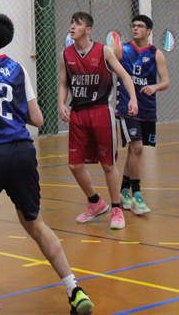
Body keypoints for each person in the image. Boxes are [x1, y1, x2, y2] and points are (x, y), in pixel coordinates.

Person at [0, 9, 94, 315]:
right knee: (35, 223)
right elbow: (38, 118)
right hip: (22, 152)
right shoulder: (16, 67)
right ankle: (74, 289)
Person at [58, 12, 138, 231]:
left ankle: (116, 208)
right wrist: (61, 103)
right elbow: (64, 82)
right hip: (78, 113)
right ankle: (95, 202)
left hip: (101, 111)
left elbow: (124, 75)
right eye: (71, 22)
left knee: (108, 164)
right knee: (74, 164)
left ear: (89, 29)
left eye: (78, 23)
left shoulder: (103, 51)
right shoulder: (66, 54)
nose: (72, 26)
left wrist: (132, 98)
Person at [115, 15, 170, 215]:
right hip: (127, 108)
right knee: (136, 147)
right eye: (134, 25)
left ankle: (123, 191)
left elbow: (166, 81)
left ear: (149, 31)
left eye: (140, 26)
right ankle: (137, 194)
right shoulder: (123, 50)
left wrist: (154, 87)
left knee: (135, 152)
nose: (136, 28)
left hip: (147, 109)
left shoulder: (156, 54)